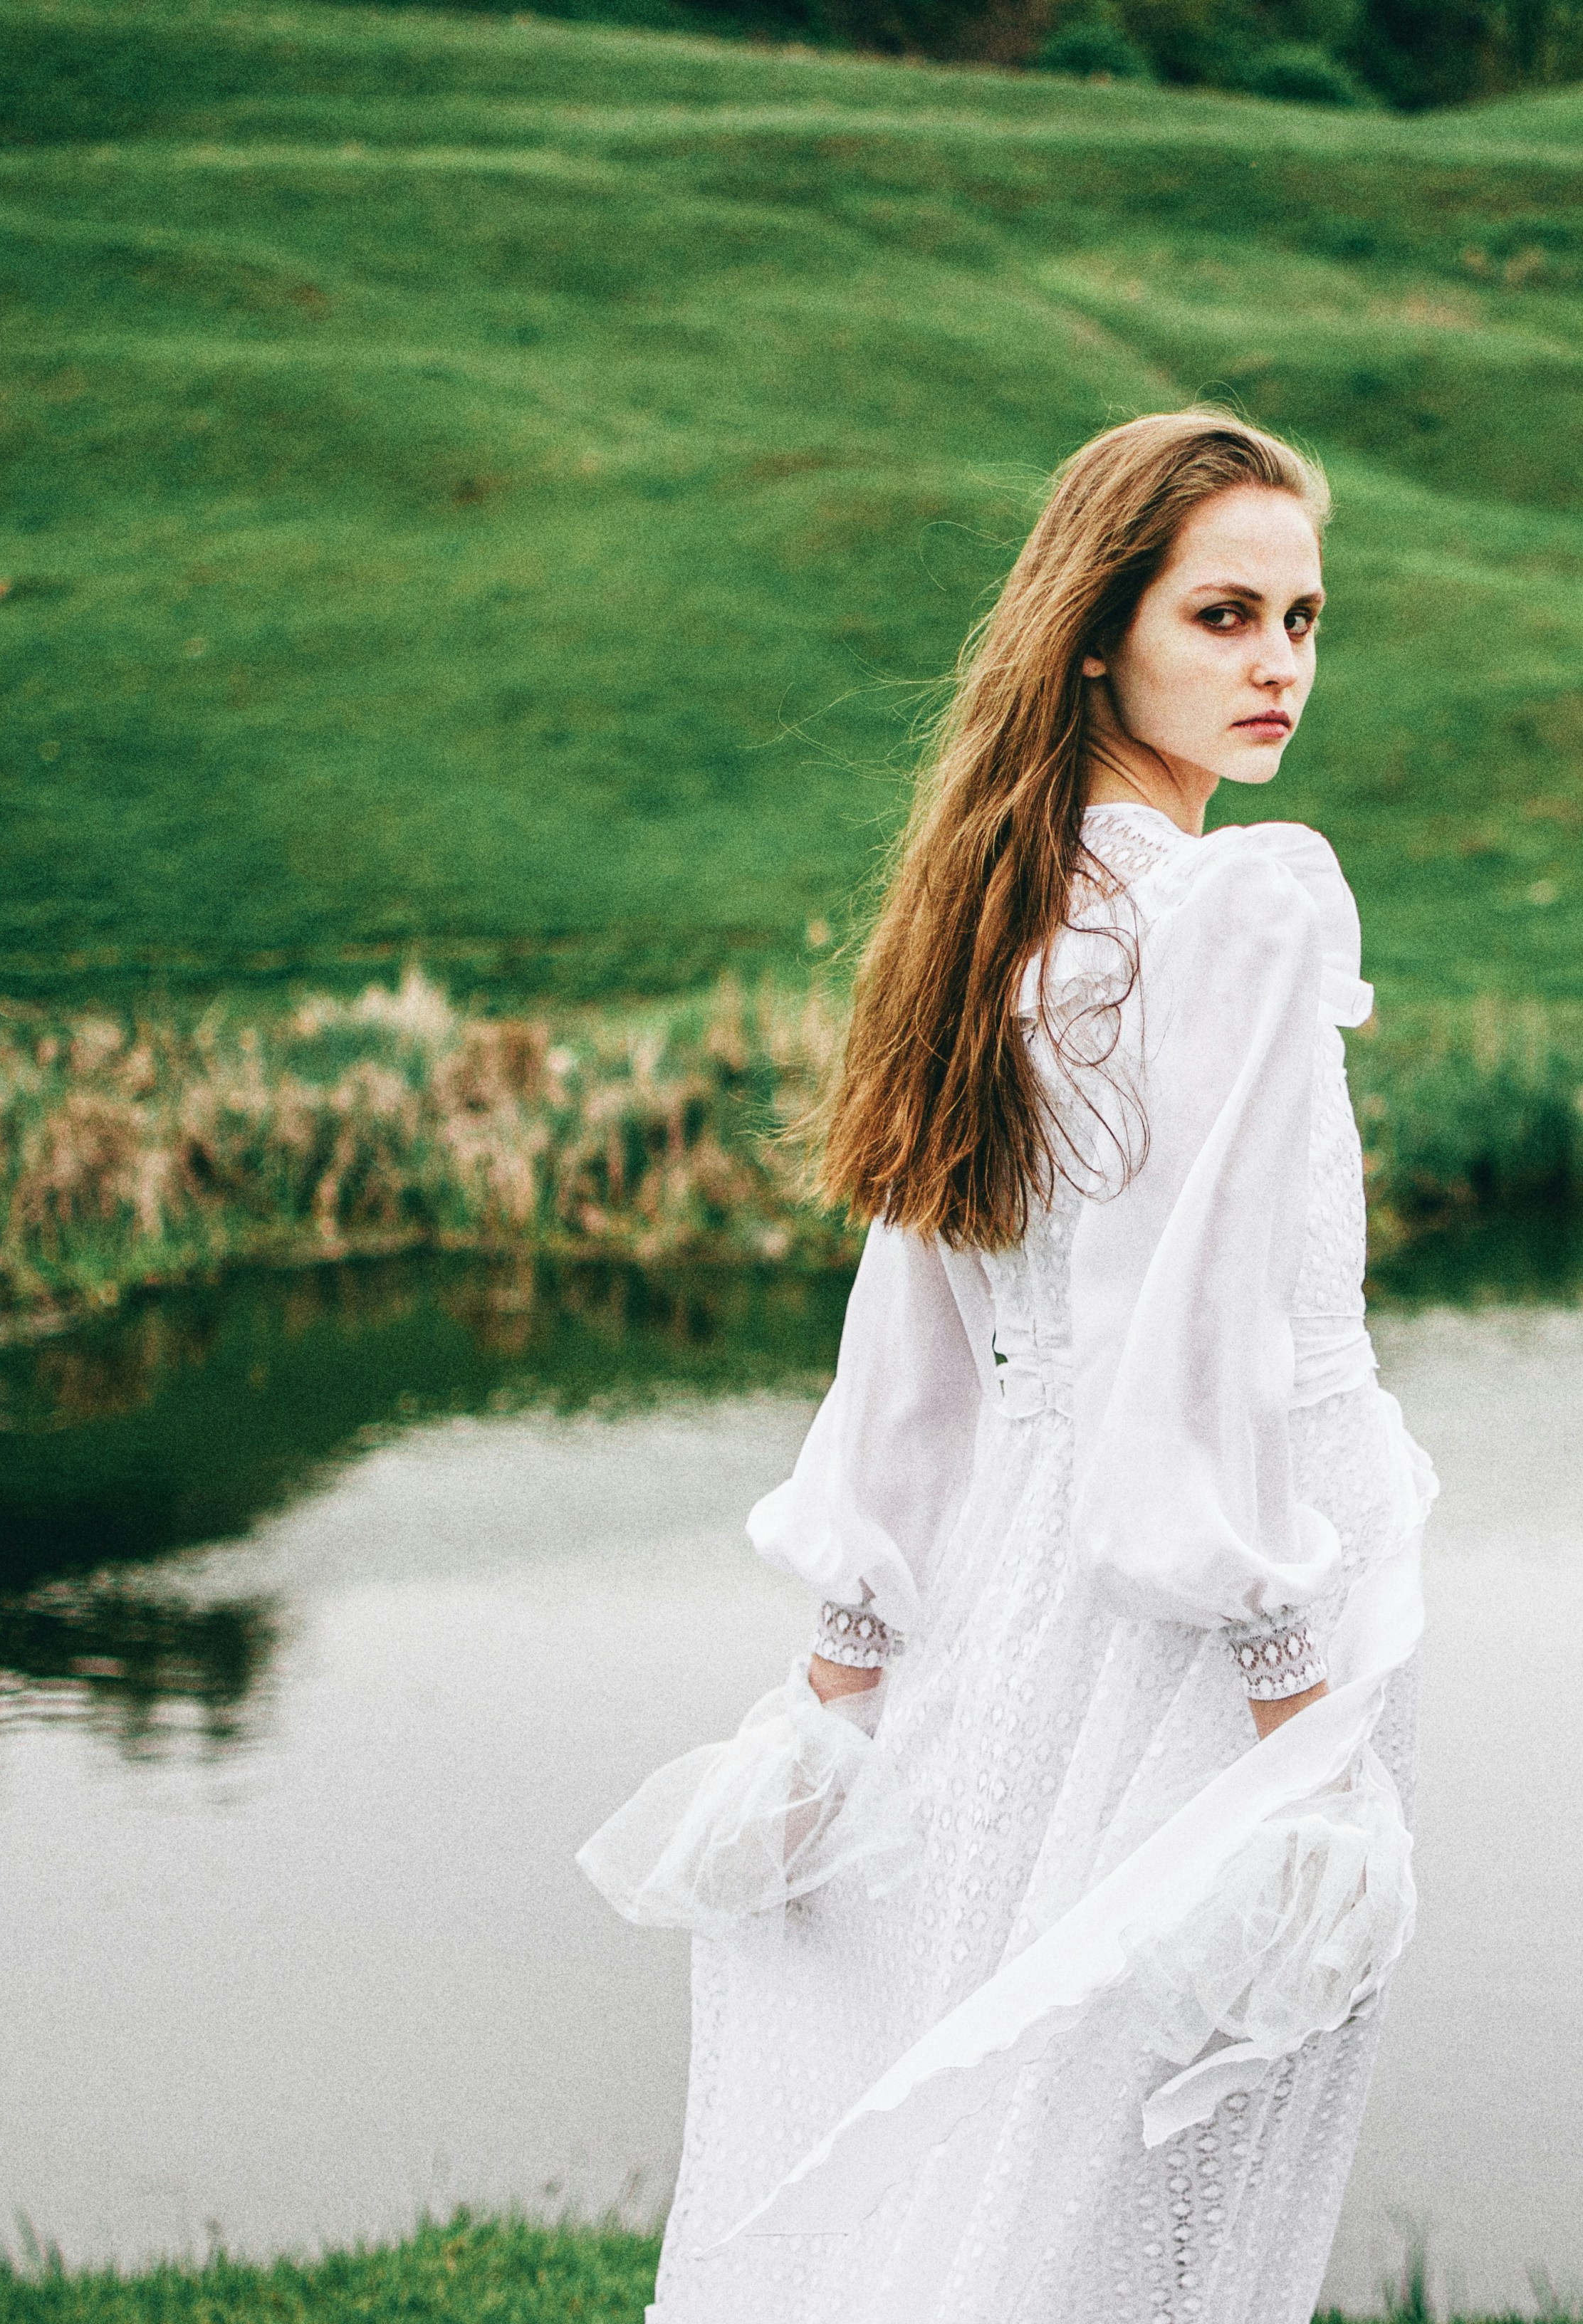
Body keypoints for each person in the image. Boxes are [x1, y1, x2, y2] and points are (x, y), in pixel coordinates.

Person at [579, 409, 1436, 2323]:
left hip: (1026, 1602)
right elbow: (1187, 1347)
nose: (1280, 664)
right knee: (1145, 2188)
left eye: (1305, 618)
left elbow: (923, 1336)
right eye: (1225, 615)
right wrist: (1304, 1734)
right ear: (1096, 634)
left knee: (1026, 2146)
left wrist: (848, 1669)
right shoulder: (1236, 911)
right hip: (1220, 1622)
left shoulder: (1012, 905)